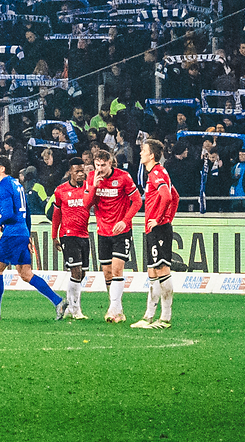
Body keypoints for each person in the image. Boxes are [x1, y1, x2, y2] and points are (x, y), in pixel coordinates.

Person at [0, 147, 65, 320]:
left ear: (2, 168)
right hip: (22, 232)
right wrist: (27, 235)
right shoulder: (17, 184)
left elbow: (9, 214)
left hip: (11, 234)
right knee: (26, 273)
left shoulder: (3, 186)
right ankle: (58, 302)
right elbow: (27, 211)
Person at [88, 148, 140, 323]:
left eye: (103, 165)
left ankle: (113, 308)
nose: (100, 169)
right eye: (97, 165)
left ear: (110, 163)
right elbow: (87, 204)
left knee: (118, 269)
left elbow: (137, 201)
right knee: (107, 273)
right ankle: (117, 309)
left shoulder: (123, 177)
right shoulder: (92, 178)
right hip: (103, 231)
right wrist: (94, 186)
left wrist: (125, 221)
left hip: (121, 231)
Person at [135, 137, 181, 329]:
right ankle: (149, 316)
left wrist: (161, 219)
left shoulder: (157, 173)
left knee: (162, 271)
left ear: (151, 155)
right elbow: (175, 196)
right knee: (152, 271)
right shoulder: (156, 173)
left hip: (158, 228)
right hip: (153, 228)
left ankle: (166, 318)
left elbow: (168, 196)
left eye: (143, 150)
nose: (140, 153)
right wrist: (167, 217)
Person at [48, 161, 93, 319]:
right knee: (76, 271)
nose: (81, 174)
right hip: (68, 234)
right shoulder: (60, 190)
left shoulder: (89, 188)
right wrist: (55, 236)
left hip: (84, 235)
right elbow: (56, 214)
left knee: (82, 274)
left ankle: (68, 306)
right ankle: (76, 309)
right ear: (70, 173)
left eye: (83, 171)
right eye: (77, 171)